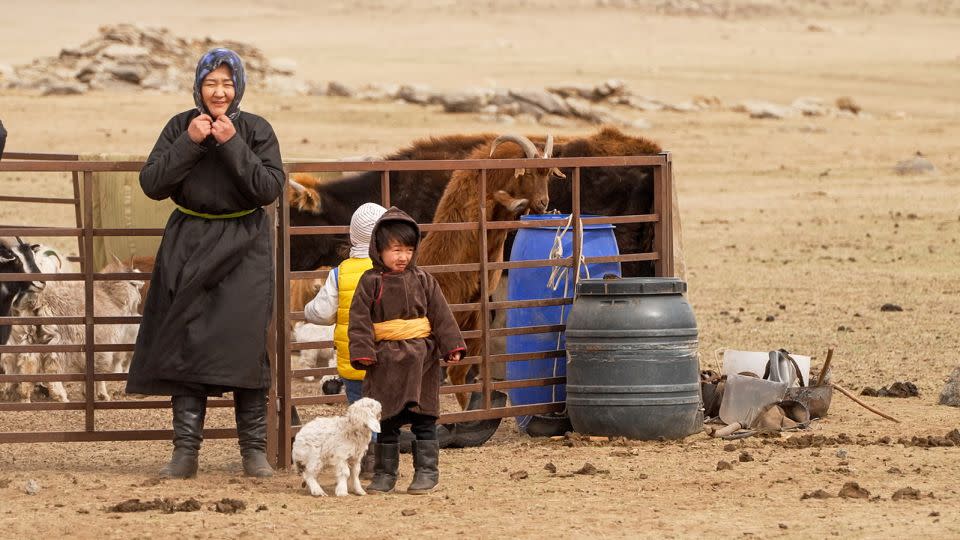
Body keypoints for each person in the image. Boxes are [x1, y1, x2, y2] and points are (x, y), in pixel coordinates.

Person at [126, 48, 285, 479]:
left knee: (246, 342)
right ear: (198, 86)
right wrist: (190, 142)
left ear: (239, 87)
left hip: (244, 246)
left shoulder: (255, 129)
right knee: (185, 340)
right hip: (189, 243)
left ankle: (253, 452)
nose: (219, 91)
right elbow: (152, 184)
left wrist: (231, 142)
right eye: (211, 83)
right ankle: (185, 453)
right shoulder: (181, 126)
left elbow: (268, 188)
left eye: (227, 83)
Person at [348, 207, 465, 495]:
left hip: (422, 361)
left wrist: (452, 345)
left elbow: (441, 314)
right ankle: (385, 474)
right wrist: (363, 352)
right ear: (379, 249)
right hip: (384, 362)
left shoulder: (424, 280)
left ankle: (427, 472)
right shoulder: (369, 282)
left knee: (425, 420)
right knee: (385, 421)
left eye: (408, 250)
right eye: (396, 250)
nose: (403, 257)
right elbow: (359, 320)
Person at [303, 202, 386, 478]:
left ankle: (365, 462)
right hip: (388, 358)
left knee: (359, 413)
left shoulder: (340, 273)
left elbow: (321, 313)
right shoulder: (389, 271)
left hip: (353, 359)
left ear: (352, 237)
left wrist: (308, 310)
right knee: (386, 409)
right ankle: (386, 459)